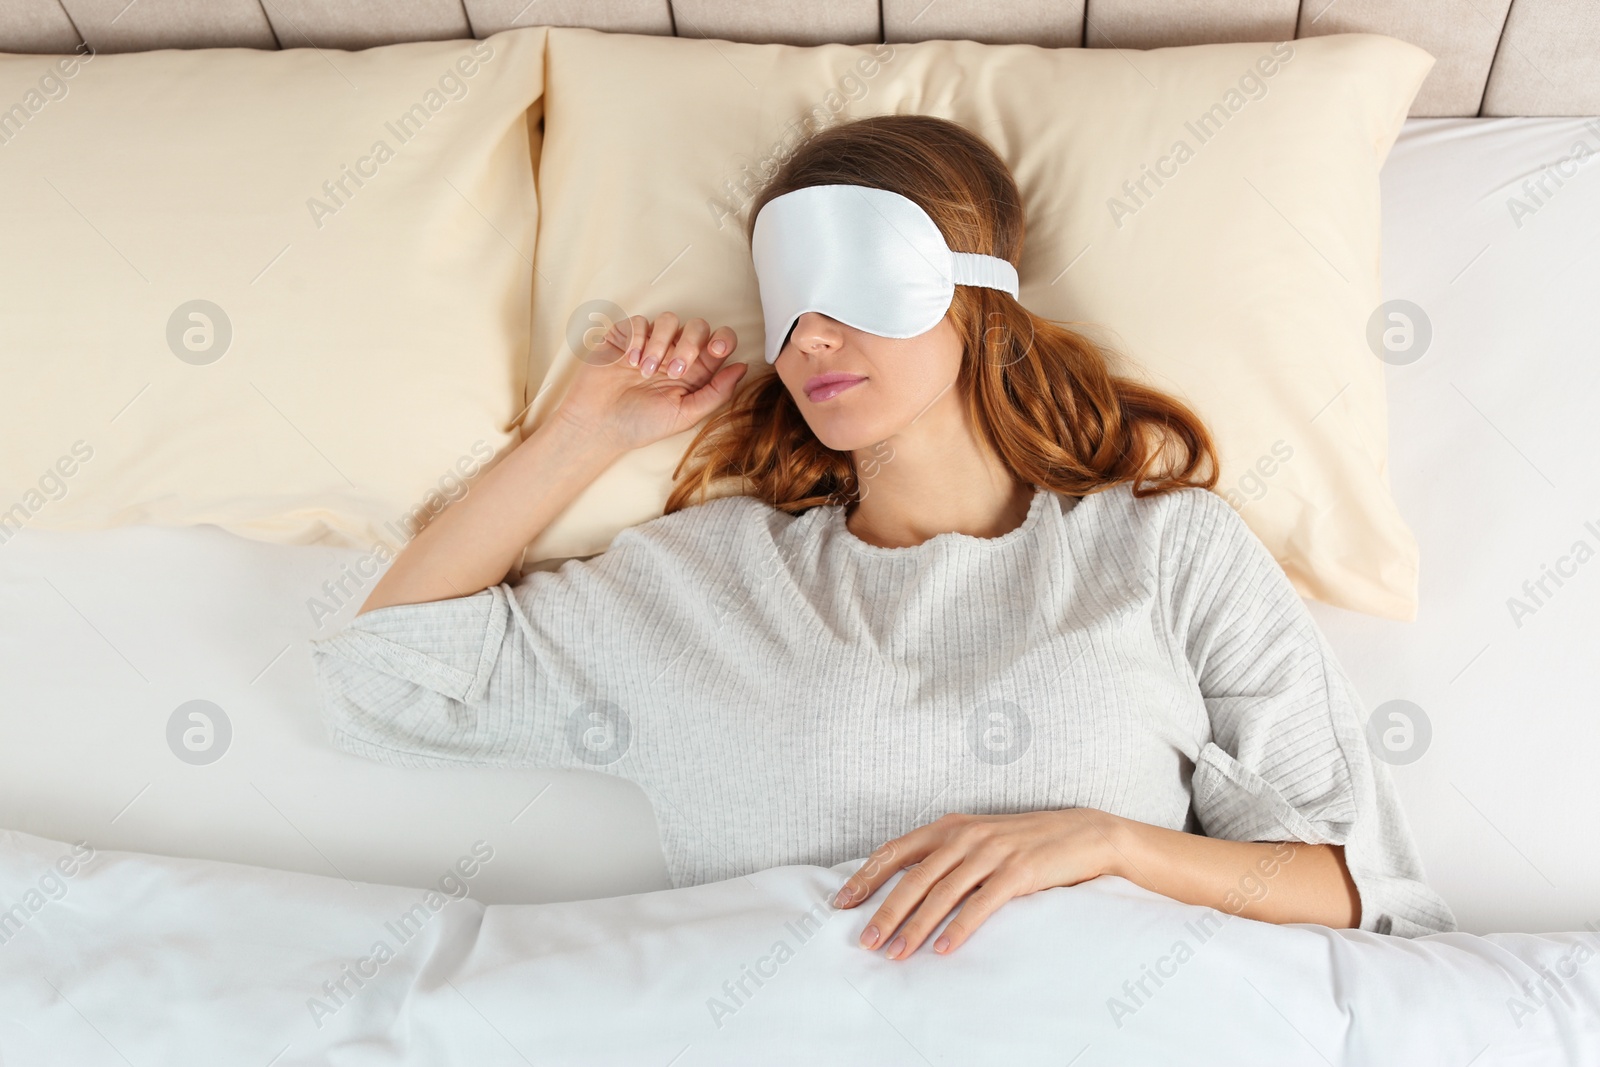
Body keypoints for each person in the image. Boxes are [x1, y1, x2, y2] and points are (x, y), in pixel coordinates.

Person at [309, 114, 1456, 960]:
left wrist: (1111, 844)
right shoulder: (708, 582)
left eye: (857, 281)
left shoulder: (1167, 552)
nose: (810, 333)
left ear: (974, 295)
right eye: (786, 298)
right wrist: (580, 430)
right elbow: (382, 674)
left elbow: (1363, 892)